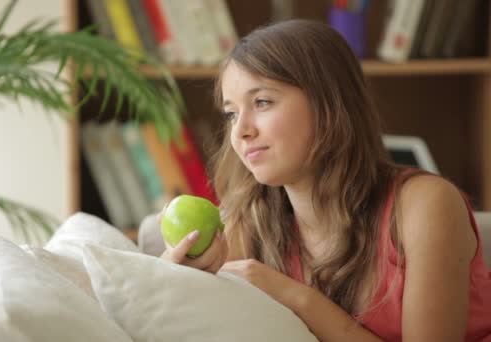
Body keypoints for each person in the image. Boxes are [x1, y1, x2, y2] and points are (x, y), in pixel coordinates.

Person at [160, 20, 491, 341]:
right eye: (231, 113)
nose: (241, 131)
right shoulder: (252, 220)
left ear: (329, 104)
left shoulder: (426, 204)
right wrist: (176, 280)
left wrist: (296, 297)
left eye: (262, 102)